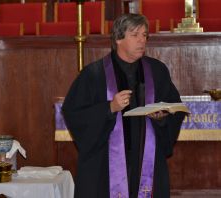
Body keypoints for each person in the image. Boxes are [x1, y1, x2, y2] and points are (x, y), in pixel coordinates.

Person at [62, 13, 185, 198]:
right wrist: (109, 108)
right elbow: (74, 114)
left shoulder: (157, 71)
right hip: (105, 168)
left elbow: (174, 108)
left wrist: (161, 118)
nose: (141, 41)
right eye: (135, 35)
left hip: (146, 162)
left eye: (144, 35)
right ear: (119, 38)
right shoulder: (94, 75)